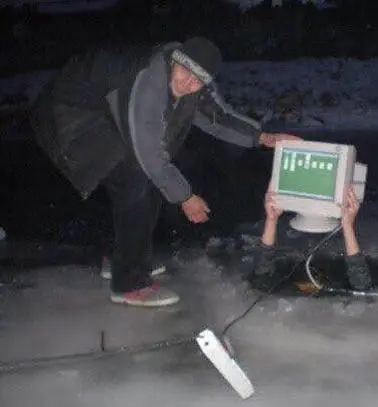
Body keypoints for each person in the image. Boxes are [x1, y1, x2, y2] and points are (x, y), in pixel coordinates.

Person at [31, 37, 300, 307]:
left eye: (197, 81)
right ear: (175, 62)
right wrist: (185, 197)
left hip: (103, 107)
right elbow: (150, 154)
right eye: (185, 73)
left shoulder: (191, 84)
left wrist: (262, 136)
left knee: (149, 176)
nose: (188, 84)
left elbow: (217, 117)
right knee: (134, 176)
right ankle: (130, 284)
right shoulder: (150, 81)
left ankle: (122, 258)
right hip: (71, 111)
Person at [245, 186, 378, 294]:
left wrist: (348, 226)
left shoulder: (334, 285)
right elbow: (260, 280)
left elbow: (362, 288)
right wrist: (271, 219)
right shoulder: (289, 280)